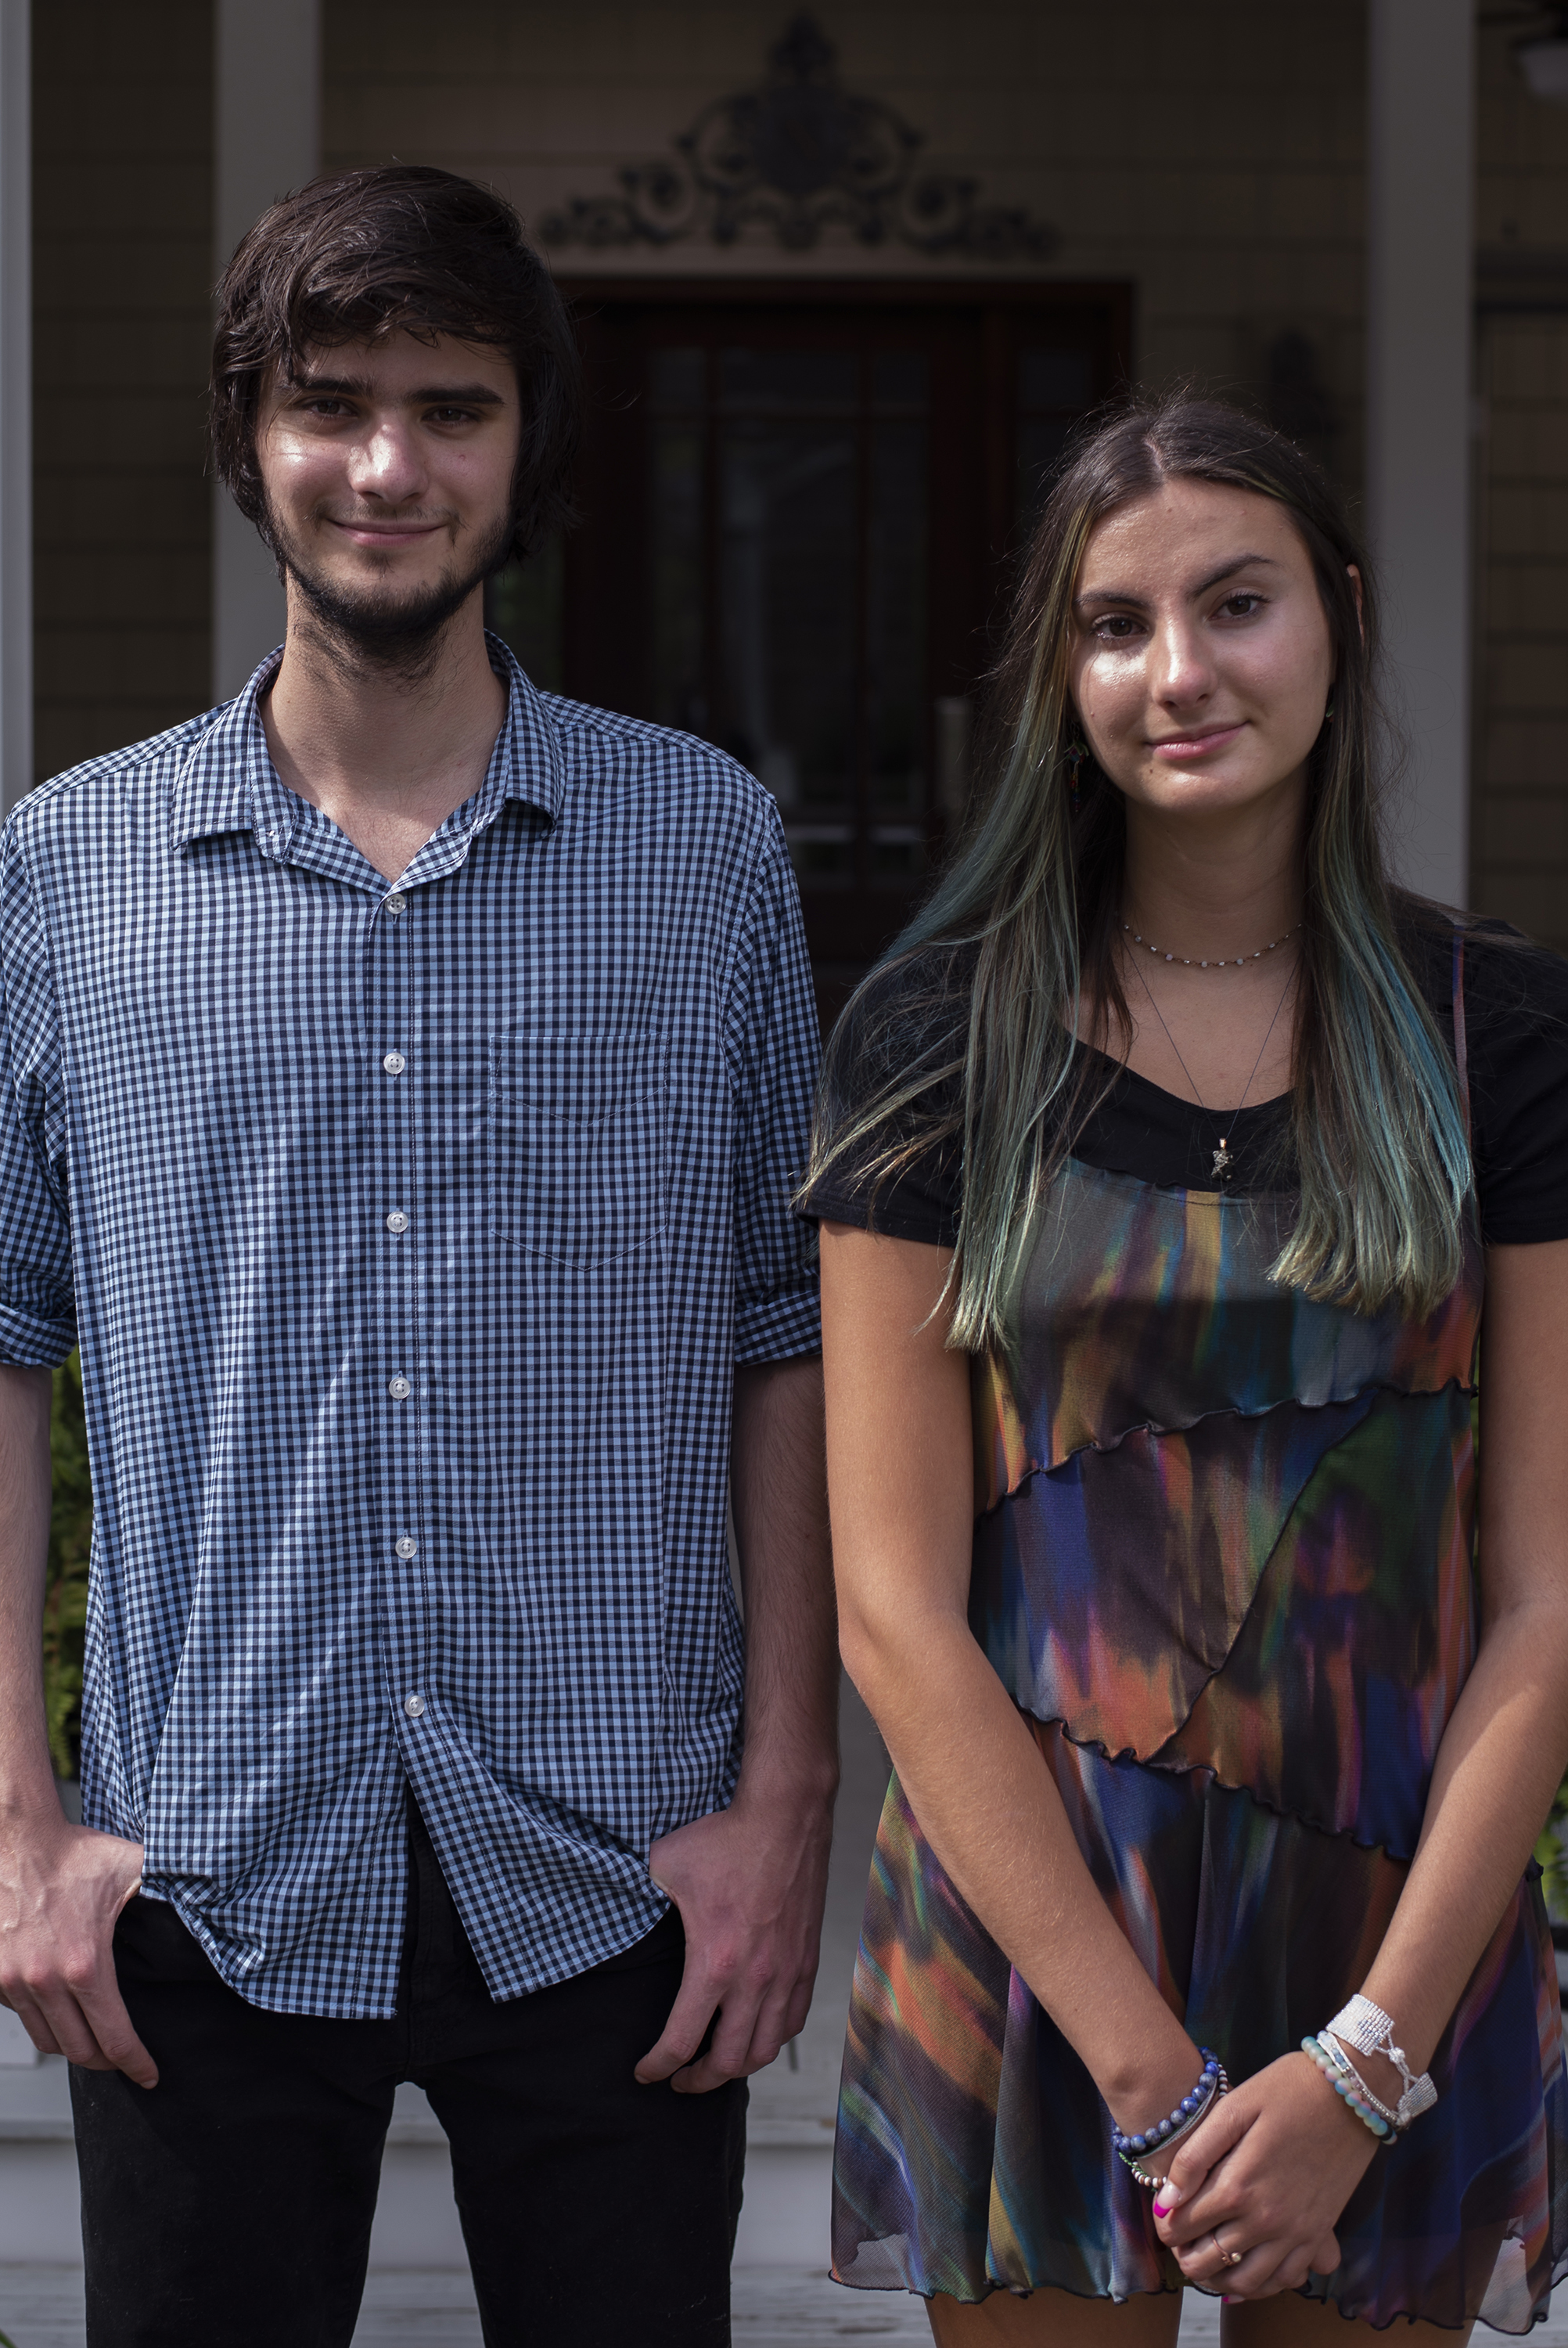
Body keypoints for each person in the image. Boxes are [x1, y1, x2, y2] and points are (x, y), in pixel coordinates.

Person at [0, 165, 837, 2348]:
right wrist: (23, 1825)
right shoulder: (72, 870)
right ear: (250, 438)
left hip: (617, 1862)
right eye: (331, 404)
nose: (387, 465)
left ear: (525, 444)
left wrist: (780, 1808)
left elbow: (785, 1336)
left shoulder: (701, 846)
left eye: (450, 408)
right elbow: (1, 1342)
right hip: (204, 1860)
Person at [800, 390, 1568, 2343]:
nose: (1180, 671)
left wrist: (1369, 2063)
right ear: (1058, 678)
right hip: (1040, 1934)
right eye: (1114, 625)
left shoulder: (1502, 1035)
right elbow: (893, 1605)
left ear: (1343, 618)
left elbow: (1548, 1595)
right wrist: (1157, 2081)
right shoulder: (930, 1040)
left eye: (1238, 605)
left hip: (1403, 1927)